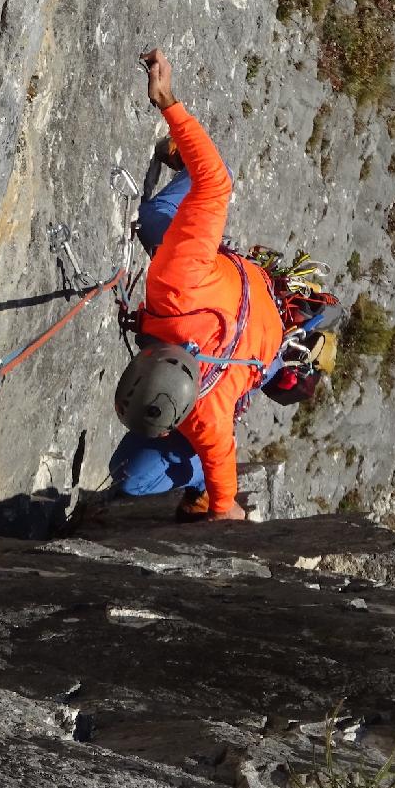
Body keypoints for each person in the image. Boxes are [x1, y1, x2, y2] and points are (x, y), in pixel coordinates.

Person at [110, 49, 284, 522]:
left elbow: (222, 460)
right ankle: (181, 165)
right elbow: (216, 185)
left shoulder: (208, 413)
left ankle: (192, 480)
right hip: (246, 304)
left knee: (128, 473)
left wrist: (221, 506)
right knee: (154, 218)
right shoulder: (175, 282)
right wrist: (168, 103)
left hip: (262, 348)